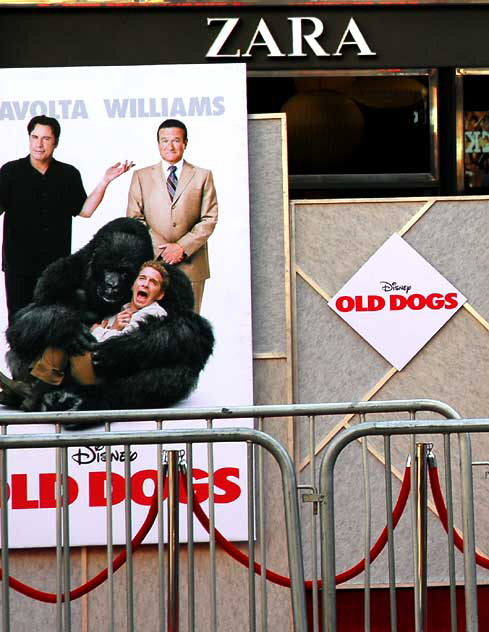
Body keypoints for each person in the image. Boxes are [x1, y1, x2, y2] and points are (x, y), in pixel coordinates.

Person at [0, 115, 134, 321]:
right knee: (20, 324)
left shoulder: (68, 174)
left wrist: (105, 181)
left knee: (56, 322)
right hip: (19, 265)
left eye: (46, 138)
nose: (38, 144)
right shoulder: (10, 172)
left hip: (57, 265)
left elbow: (85, 210)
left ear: (56, 142)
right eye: (34, 137)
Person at [0, 260, 168, 410]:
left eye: (153, 282)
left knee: (66, 338)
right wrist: (111, 328)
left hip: (106, 375)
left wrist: (99, 329)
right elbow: (104, 337)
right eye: (142, 278)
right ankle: (25, 392)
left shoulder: (153, 313)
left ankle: (31, 392)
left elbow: (121, 346)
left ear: (160, 294)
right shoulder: (120, 311)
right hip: (94, 364)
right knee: (64, 333)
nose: (145, 284)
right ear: (133, 285)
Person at [126, 118, 218, 313]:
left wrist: (181, 247)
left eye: (176, 140)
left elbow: (209, 218)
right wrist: (164, 249)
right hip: (153, 263)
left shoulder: (203, 175)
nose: (170, 145)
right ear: (158, 144)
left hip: (192, 264)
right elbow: (134, 219)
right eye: (164, 140)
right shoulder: (141, 176)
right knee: (153, 325)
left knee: (188, 326)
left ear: (185, 143)